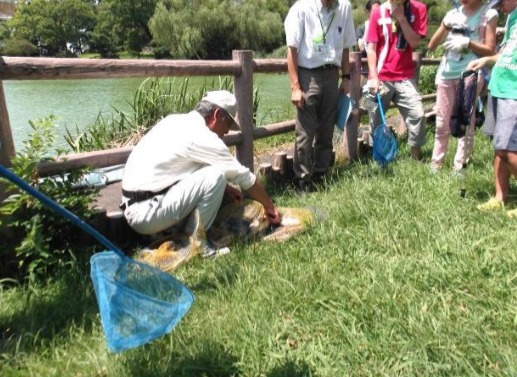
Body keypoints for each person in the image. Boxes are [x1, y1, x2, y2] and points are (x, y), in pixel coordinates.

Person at [120, 90, 281, 236]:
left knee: (217, 176)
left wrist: (226, 188)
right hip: (146, 213)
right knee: (216, 175)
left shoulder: (176, 121)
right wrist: (269, 207)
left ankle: (172, 230)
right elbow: (245, 177)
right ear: (217, 115)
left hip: (136, 206)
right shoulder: (204, 137)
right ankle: (195, 243)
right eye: (228, 124)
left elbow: (181, 165)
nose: (226, 132)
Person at [284, 0, 356, 189]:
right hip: (308, 75)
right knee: (305, 134)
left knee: (326, 131)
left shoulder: (344, 7)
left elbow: (346, 47)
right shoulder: (301, 8)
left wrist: (346, 77)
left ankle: (320, 176)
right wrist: (295, 87)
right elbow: (291, 50)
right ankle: (301, 179)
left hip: (333, 74)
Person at [428, 0, 497, 174]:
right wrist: (446, 24)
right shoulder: (453, 13)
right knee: (442, 121)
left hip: (470, 72)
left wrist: (467, 42)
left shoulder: (488, 14)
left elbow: (490, 50)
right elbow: (431, 45)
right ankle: (436, 165)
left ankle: (459, 168)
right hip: (447, 72)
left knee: (466, 121)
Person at [469, 0, 517, 217]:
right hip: (499, 86)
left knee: (507, 150)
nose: (499, 8)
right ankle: (500, 197)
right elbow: (506, 54)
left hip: (513, 90)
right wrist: (487, 59)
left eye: (502, 3)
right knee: (499, 147)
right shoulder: (512, 18)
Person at [366, 0, 428, 160]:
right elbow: (371, 49)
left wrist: (401, 18)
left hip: (405, 75)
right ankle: (378, 157)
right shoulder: (377, 13)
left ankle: (415, 158)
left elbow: (414, 42)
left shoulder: (418, 9)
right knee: (375, 117)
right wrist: (373, 76)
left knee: (418, 114)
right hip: (381, 76)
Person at [356, 0, 381, 83]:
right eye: (374, 11)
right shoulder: (361, 29)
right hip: (363, 72)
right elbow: (361, 47)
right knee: (359, 94)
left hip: (379, 71)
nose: (378, 13)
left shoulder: (383, 28)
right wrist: (369, 27)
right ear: (368, 12)